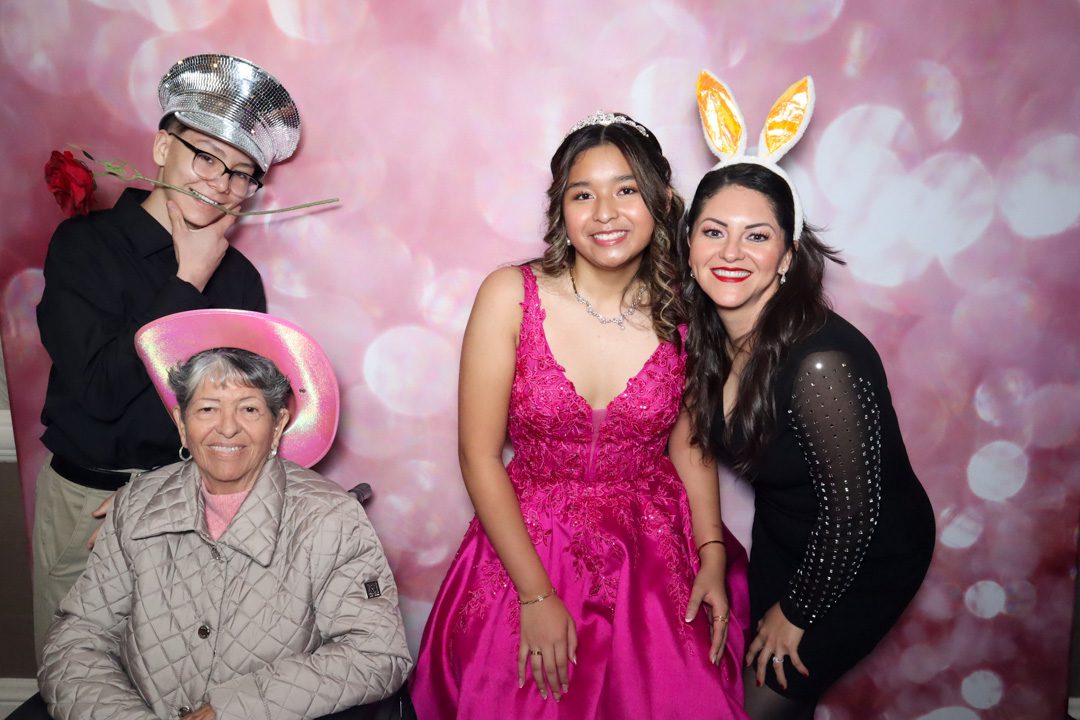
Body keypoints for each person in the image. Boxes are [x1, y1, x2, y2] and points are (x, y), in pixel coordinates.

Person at [410, 111, 750, 719]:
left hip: (650, 552)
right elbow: (478, 455)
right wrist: (536, 595)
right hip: (528, 540)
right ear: (560, 211)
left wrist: (712, 552)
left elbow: (691, 445)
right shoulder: (510, 295)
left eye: (626, 190)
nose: (605, 214)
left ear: (660, 200)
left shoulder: (685, 313)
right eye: (582, 195)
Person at [682, 72, 935, 719]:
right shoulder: (705, 338)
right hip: (786, 535)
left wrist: (796, 612)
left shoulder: (822, 362)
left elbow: (854, 517)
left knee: (764, 699)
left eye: (757, 235)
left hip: (867, 551)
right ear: (689, 244)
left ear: (788, 256)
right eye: (713, 232)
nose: (731, 252)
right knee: (742, 688)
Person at [33, 53, 301, 655]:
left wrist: (172, 497)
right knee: (79, 676)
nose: (221, 183)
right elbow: (100, 391)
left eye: (241, 173)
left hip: (194, 508)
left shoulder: (242, 281)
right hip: (88, 508)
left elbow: (240, 419)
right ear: (162, 148)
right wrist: (186, 281)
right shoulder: (85, 247)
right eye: (206, 156)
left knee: (181, 677)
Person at [38, 309, 413, 720]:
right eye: (207, 409)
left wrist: (231, 710)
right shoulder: (135, 504)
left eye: (249, 409)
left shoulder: (332, 517)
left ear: (278, 424)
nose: (227, 428)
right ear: (182, 423)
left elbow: (376, 654)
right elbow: (76, 641)